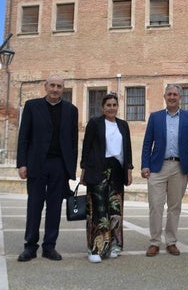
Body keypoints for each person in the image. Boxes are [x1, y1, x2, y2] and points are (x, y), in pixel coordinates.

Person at [16, 74, 79, 262]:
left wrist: (70, 169)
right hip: (37, 163)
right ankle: (30, 246)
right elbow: (23, 137)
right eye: (52, 85)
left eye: (59, 86)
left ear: (63, 89)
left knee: (54, 207)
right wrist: (22, 163)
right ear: (45, 87)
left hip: (59, 165)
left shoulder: (71, 110)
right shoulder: (32, 106)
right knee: (34, 205)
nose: (55, 89)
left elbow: (73, 142)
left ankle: (49, 246)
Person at [141, 84, 188, 257]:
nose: (172, 97)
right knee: (155, 206)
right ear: (164, 96)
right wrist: (145, 164)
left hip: (179, 167)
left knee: (175, 206)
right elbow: (146, 143)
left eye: (175, 94)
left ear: (180, 97)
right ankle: (155, 242)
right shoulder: (155, 117)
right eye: (169, 94)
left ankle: (171, 242)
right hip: (157, 167)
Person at [80, 93, 133, 263]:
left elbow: (128, 149)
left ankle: (113, 245)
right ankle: (95, 248)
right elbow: (86, 147)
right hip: (98, 169)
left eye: (114, 105)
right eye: (108, 105)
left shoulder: (123, 125)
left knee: (115, 209)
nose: (111, 108)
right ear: (102, 108)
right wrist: (83, 170)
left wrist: (129, 170)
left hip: (117, 170)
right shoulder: (95, 123)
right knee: (98, 210)